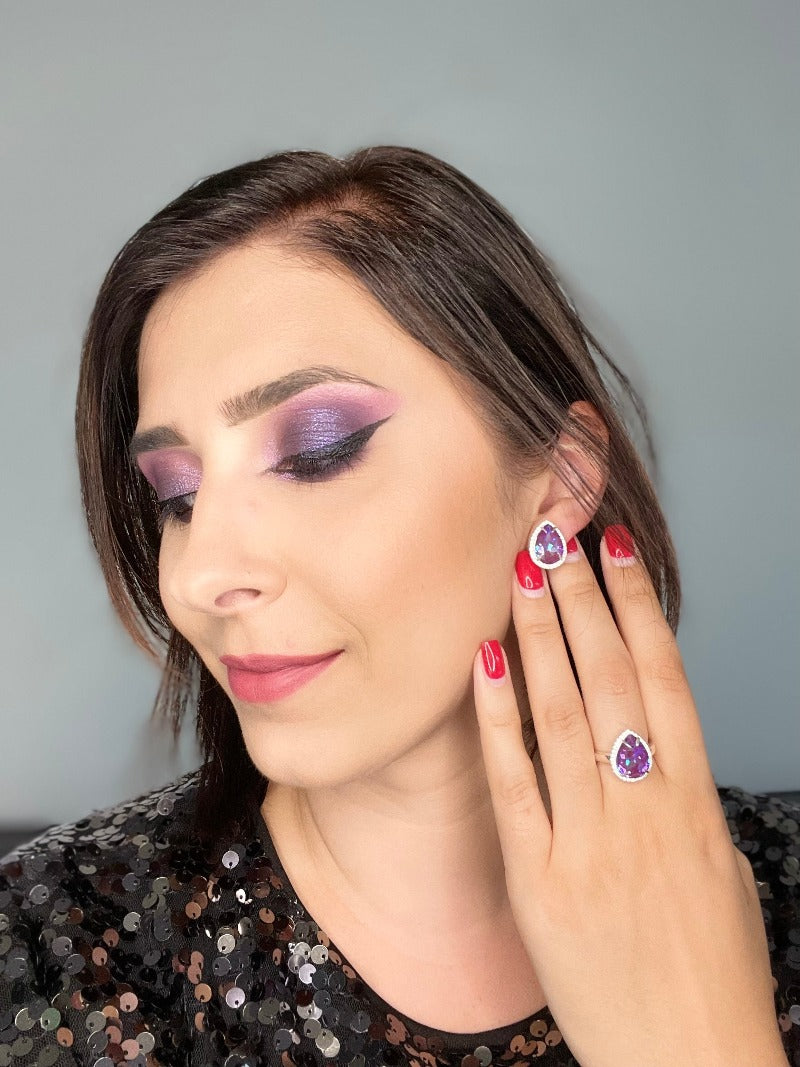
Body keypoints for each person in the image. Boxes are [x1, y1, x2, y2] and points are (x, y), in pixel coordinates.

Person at [1, 146, 797, 1067]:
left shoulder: (781, 890)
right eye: (178, 495)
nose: (200, 575)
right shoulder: (48, 959)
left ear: (559, 476)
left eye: (317, 451)